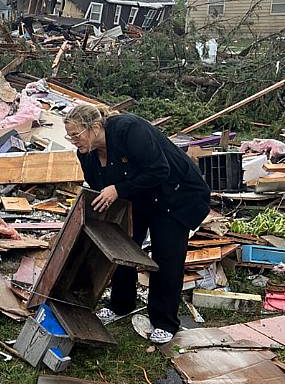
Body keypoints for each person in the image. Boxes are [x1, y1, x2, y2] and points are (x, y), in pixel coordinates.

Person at [64, 103, 210, 344]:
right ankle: (122, 304)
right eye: (69, 137)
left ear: (95, 127)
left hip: (174, 194)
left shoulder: (129, 129)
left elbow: (159, 170)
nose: (73, 141)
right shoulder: (86, 154)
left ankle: (164, 321)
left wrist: (119, 189)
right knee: (122, 246)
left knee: (166, 257)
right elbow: (98, 186)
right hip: (139, 198)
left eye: (76, 135)